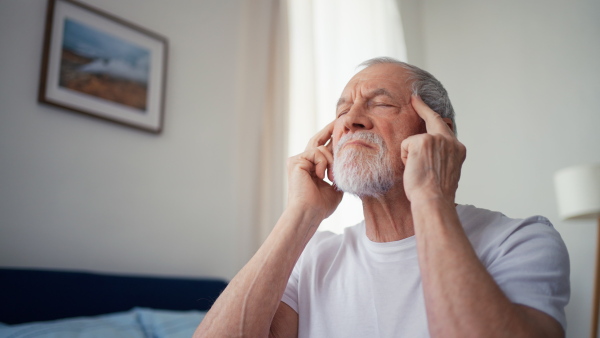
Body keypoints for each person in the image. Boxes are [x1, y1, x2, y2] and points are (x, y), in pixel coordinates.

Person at [194, 57, 570, 337]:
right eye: (342, 110)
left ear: (439, 133)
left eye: (381, 103)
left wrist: (431, 197)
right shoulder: (314, 257)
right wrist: (300, 214)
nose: (351, 119)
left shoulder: (519, 241)